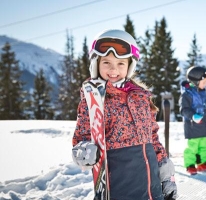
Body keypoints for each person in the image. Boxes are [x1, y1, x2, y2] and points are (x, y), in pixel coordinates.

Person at [71, 29, 177, 200]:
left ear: (130, 66)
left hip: (152, 189)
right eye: (106, 62)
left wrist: (165, 170)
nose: (114, 69)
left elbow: (153, 137)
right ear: (96, 63)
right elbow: (81, 137)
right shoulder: (94, 100)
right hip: (119, 188)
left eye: (121, 63)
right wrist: (84, 151)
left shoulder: (141, 96)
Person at [179, 66, 206, 175]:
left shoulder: (204, 93)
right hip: (192, 126)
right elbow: (183, 110)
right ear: (195, 82)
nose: (205, 85)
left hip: (203, 125)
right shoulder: (186, 95)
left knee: (203, 145)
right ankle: (190, 164)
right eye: (203, 82)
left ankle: (202, 163)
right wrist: (193, 116)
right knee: (193, 146)